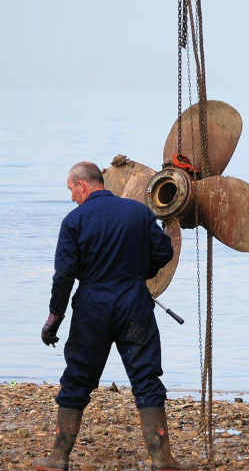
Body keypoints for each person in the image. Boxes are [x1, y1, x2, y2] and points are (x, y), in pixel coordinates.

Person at [34, 161, 191, 471]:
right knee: (146, 378)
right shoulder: (138, 212)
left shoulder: (74, 221)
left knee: (77, 380)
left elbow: (64, 275)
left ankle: (58, 459)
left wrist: (54, 320)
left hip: (92, 308)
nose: (71, 198)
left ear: (83, 185)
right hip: (134, 304)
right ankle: (162, 460)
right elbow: (164, 251)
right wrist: (139, 272)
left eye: (71, 190)